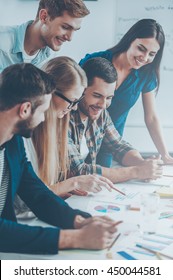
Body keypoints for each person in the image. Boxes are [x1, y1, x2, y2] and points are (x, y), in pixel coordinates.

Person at [0, 63, 121, 254]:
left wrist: (80, 221)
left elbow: (36, 193)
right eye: (41, 112)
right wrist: (75, 238)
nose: (43, 120)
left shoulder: (13, 141)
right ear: (24, 109)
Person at [79, 19, 173, 167]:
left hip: (110, 142)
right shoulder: (95, 61)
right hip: (79, 136)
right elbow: (71, 96)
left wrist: (165, 155)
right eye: (141, 48)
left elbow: (151, 117)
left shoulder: (146, 74)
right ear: (130, 40)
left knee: (103, 181)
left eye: (152, 54)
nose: (145, 57)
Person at [68, 57, 163, 183]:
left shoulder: (101, 114)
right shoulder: (64, 117)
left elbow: (119, 146)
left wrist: (143, 164)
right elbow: (79, 171)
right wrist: (136, 171)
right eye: (97, 95)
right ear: (82, 89)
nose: (102, 104)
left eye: (109, 97)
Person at [0, 0, 90, 72]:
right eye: (65, 27)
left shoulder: (51, 58)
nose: (70, 38)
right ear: (44, 17)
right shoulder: (2, 41)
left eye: (75, 30)